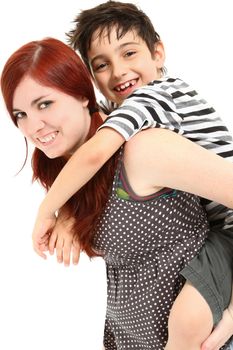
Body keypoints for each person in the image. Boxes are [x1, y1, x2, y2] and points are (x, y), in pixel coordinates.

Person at [2, 37, 233, 350]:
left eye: (45, 104)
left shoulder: (143, 148)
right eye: (20, 115)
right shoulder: (66, 175)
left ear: (82, 95)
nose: (34, 127)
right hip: (128, 337)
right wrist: (69, 211)